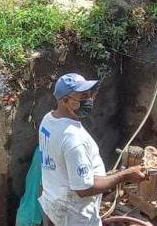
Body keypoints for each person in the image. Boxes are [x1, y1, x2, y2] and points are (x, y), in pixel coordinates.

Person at [39, 73, 148, 226]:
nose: (89, 99)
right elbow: (84, 189)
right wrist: (125, 176)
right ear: (65, 101)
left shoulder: (48, 120)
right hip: (74, 216)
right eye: (83, 96)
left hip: (52, 203)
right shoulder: (73, 140)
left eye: (90, 94)